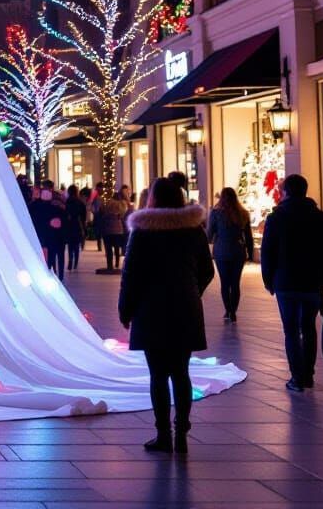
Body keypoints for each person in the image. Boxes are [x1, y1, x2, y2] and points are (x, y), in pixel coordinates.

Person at [118, 176, 212, 455]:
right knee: (181, 373)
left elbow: (131, 275)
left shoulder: (144, 230)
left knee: (158, 374)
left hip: (151, 310)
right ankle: (182, 431)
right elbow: (207, 270)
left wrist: (126, 309)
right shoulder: (193, 230)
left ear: (153, 199)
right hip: (185, 307)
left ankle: (163, 435)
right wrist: (192, 291)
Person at [261, 174, 323, 392]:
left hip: (285, 281)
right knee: (309, 327)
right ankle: (308, 374)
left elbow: (268, 252)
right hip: (313, 282)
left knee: (290, 329)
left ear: (285, 192)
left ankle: (297, 377)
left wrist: (268, 280)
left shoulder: (276, 218)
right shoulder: (321, 218)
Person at [207, 186, 254, 323]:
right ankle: (233, 311)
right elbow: (249, 237)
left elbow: (209, 235)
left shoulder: (216, 213)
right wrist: (250, 253)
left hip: (221, 250)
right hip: (237, 251)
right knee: (235, 283)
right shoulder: (243, 213)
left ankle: (228, 310)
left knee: (224, 282)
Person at [98, 190, 128, 271]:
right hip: (118, 229)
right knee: (117, 247)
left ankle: (109, 265)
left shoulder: (107, 203)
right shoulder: (122, 205)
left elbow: (101, 211)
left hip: (107, 228)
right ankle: (117, 263)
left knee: (108, 248)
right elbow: (123, 214)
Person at [44, 186, 68, 281]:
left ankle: (53, 272)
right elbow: (65, 223)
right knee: (61, 256)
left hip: (51, 237)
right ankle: (61, 275)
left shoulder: (48, 209)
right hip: (61, 236)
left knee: (52, 256)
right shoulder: (62, 209)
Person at [65, 184, 87, 271]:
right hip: (78, 225)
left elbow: (65, 213)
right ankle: (75, 263)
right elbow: (84, 216)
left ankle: (70, 261)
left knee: (70, 245)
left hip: (69, 225)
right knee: (76, 245)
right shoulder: (80, 202)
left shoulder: (67, 202)